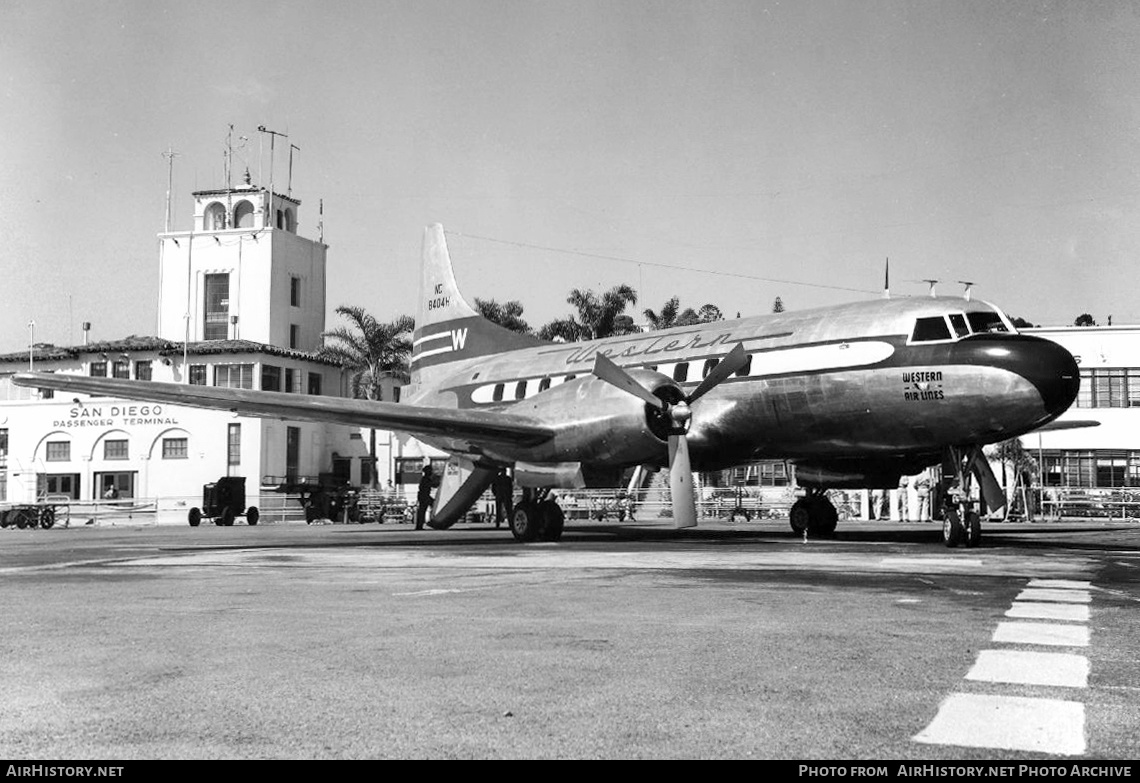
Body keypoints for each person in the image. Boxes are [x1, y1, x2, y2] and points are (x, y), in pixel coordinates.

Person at [415, 465, 434, 530]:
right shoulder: (426, 479)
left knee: (422, 510)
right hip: (424, 496)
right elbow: (432, 485)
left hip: (424, 495)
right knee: (422, 511)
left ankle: (420, 525)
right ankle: (419, 525)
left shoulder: (425, 478)